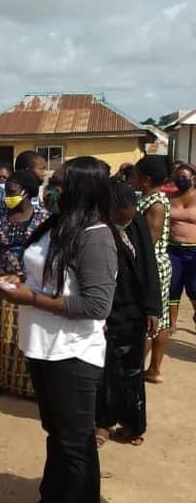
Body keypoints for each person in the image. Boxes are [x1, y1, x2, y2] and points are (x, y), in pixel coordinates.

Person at [0, 157, 117, 503]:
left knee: (77, 442)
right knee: (56, 432)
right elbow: (47, 276)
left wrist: (31, 298)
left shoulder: (96, 237)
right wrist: (20, 282)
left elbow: (97, 305)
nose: (51, 188)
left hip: (73, 353)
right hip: (42, 346)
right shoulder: (57, 224)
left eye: (60, 183)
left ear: (82, 189)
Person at [95, 180, 160, 448]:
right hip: (106, 309)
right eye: (120, 219)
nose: (125, 223)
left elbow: (148, 263)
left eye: (129, 218)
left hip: (134, 308)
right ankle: (102, 422)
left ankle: (133, 423)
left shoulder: (137, 223)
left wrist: (153, 308)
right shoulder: (98, 228)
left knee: (131, 370)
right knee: (104, 369)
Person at [0, 170, 47, 398]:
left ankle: (31, 386)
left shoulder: (43, 218)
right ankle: (6, 380)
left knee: (31, 335)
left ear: (26, 192)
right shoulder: (2, 218)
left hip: (33, 285)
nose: (7, 196)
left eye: (11, 191)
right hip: (5, 284)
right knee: (6, 336)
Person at [131, 156, 171, 383]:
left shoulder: (156, 204)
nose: (131, 179)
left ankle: (145, 369)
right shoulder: (147, 198)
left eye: (135, 176)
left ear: (145, 180)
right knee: (158, 318)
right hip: (150, 264)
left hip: (152, 267)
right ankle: (150, 369)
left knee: (151, 318)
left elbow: (149, 241)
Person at [167, 162, 196, 330]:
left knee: (194, 289)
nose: (180, 180)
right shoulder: (170, 197)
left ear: (193, 178)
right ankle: (172, 323)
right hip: (173, 249)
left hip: (194, 251)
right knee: (173, 286)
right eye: (177, 177)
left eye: (184, 177)